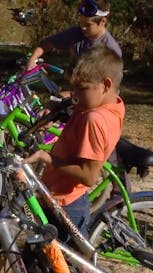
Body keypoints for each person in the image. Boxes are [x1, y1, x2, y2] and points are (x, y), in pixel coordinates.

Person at [21, 44, 124, 243]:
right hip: (58, 196)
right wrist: (58, 105)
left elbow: (88, 176)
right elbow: (76, 101)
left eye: (81, 88)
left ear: (106, 85)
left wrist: (47, 157)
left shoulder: (94, 119)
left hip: (66, 204)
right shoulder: (111, 103)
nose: (75, 93)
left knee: (69, 270)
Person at [25, 0, 122, 73]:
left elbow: (106, 84)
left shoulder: (111, 49)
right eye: (81, 23)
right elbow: (48, 43)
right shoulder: (77, 33)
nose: (83, 28)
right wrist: (32, 59)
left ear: (103, 22)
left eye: (87, 25)